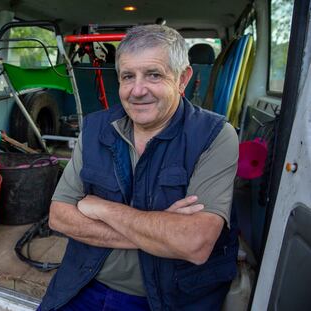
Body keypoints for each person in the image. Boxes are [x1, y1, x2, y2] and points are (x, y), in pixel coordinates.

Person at [39, 24, 239, 311]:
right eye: (127, 76)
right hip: (83, 283)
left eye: (154, 75)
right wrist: (160, 232)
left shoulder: (215, 136)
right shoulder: (96, 129)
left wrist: (103, 209)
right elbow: (59, 217)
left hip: (166, 299)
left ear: (182, 79)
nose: (137, 90)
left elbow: (194, 244)